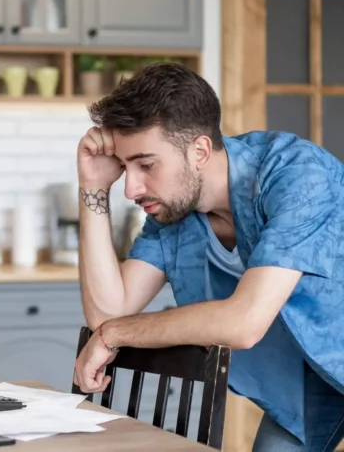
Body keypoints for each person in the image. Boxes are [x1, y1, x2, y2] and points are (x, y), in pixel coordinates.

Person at [72, 63, 344, 452]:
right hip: (308, 383)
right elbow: (107, 311)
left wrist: (115, 334)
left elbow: (243, 323)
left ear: (199, 150)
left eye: (146, 165)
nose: (131, 188)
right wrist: (93, 187)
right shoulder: (174, 214)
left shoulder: (298, 175)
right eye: (124, 166)